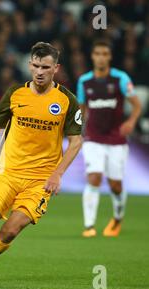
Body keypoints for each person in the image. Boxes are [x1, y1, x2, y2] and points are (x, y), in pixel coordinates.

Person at [0, 42, 83, 283]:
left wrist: (57, 174)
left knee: (11, 230)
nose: (40, 72)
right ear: (29, 65)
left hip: (40, 181)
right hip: (9, 173)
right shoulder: (15, 94)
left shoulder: (67, 100)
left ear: (56, 68)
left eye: (45, 67)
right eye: (36, 66)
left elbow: (76, 141)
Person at [77, 40, 141, 238]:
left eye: (105, 53)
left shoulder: (120, 78)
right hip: (93, 137)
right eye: (98, 53)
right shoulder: (84, 81)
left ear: (110, 57)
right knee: (94, 178)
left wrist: (130, 122)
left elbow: (136, 104)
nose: (101, 57)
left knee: (115, 185)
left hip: (116, 138)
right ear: (93, 56)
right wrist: (78, 132)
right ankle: (89, 226)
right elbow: (82, 109)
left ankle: (117, 218)